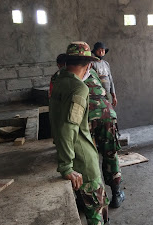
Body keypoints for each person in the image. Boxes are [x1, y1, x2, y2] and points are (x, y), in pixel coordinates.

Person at [49, 41, 109, 224]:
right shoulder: (79, 88)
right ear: (89, 65)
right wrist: (66, 166)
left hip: (67, 151)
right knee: (96, 211)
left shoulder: (58, 81)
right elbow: (69, 126)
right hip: (83, 161)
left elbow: (59, 123)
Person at [83, 63, 125, 208]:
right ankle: (117, 193)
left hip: (87, 118)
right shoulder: (92, 72)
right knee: (110, 154)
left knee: (89, 158)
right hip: (107, 114)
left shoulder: (64, 77)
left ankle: (96, 200)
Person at [91, 42, 118, 107]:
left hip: (108, 94)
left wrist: (114, 96)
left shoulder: (106, 64)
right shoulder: (91, 64)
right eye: (99, 50)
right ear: (95, 51)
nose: (101, 52)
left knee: (109, 112)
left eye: (103, 50)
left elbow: (110, 80)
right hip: (97, 94)